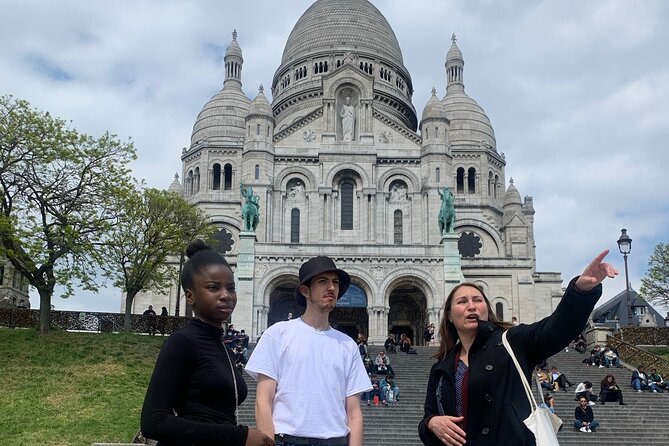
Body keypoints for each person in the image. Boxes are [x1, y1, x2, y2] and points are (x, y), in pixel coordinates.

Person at [418, 250, 617, 446]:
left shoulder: (513, 341)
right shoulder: (441, 367)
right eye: (462, 302)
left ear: (487, 309)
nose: (471, 306)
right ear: (450, 316)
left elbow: (556, 329)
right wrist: (431, 423)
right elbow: (429, 417)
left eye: (478, 300)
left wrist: (581, 293)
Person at [140, 239, 274, 446]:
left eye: (231, 288)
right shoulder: (181, 343)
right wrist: (240, 436)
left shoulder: (224, 347)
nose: (226, 296)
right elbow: (153, 422)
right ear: (190, 296)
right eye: (213, 288)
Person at [246, 256, 372, 446]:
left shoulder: (348, 345)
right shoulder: (277, 334)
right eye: (323, 281)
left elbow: (354, 413)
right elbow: (263, 400)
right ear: (305, 290)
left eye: (335, 282)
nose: (331, 287)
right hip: (287, 440)